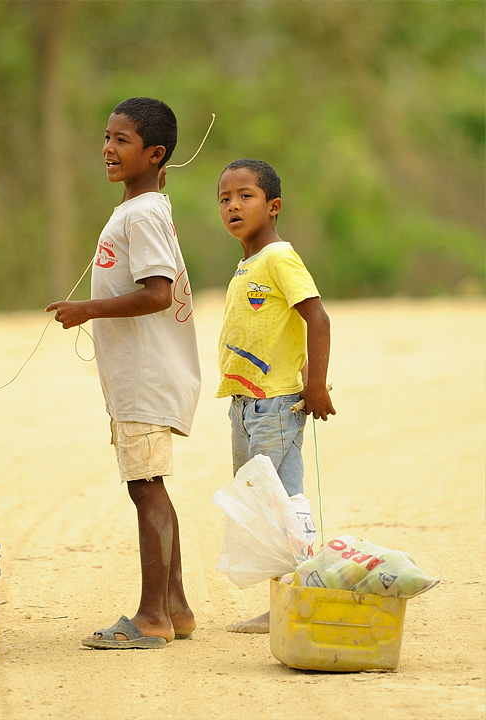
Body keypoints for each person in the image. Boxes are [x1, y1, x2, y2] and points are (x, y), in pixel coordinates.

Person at [47, 97, 201, 649]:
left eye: (122, 140)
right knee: (149, 487)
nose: (108, 148)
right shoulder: (138, 209)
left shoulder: (143, 212)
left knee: (147, 488)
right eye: (107, 136)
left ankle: (152, 617)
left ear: (155, 154)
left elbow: (157, 294)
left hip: (146, 376)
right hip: (137, 375)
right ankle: (176, 608)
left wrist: (85, 310)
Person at [216, 158, 335, 633]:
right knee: (264, 509)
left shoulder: (279, 257)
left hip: (275, 407)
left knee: (285, 507)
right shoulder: (248, 263)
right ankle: (280, 603)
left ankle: (294, 602)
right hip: (245, 408)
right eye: (224, 199)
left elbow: (317, 318)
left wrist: (316, 385)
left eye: (245, 195)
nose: (232, 205)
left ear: (274, 205)